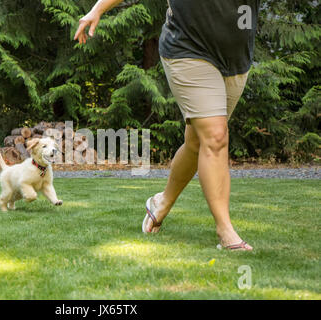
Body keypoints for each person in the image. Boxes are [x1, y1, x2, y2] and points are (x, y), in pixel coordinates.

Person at [74, 0, 260, 251]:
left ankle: (162, 201)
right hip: (188, 49)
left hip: (236, 58)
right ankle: (226, 231)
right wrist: (97, 9)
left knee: (196, 143)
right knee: (215, 136)